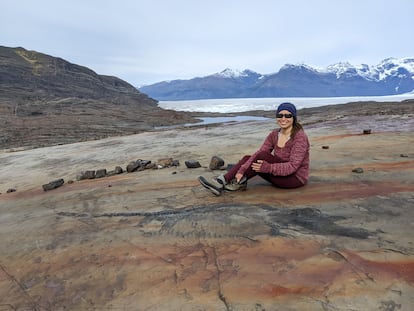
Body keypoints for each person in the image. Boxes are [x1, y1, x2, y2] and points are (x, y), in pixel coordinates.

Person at [198, 102, 310, 196]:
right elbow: (259, 153)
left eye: (288, 115)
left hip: (294, 179)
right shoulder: (274, 134)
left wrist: (268, 168)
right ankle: (224, 181)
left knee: (261, 157)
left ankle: (227, 181)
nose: (283, 119)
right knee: (250, 157)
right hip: (279, 175)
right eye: (280, 115)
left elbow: (292, 167)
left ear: (294, 118)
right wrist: (242, 170)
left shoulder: (299, 137)